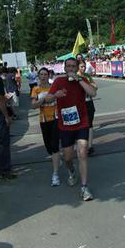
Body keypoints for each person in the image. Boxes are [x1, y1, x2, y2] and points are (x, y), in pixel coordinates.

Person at [42, 57, 98, 201]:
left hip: (82, 122)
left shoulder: (82, 80)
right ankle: (72, 171)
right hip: (65, 125)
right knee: (68, 157)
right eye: (68, 66)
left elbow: (93, 93)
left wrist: (79, 80)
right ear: (65, 68)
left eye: (73, 66)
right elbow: (47, 98)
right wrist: (55, 95)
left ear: (77, 68)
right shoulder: (59, 81)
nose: (71, 68)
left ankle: (84, 188)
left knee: (82, 152)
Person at [30, 68, 61, 185]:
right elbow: (33, 105)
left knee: (54, 145)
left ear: (48, 76)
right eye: (41, 74)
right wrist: (44, 99)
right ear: (38, 76)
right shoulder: (36, 89)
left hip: (56, 118)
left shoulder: (54, 87)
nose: (43, 76)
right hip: (44, 120)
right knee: (49, 147)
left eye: (45, 74)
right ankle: (56, 158)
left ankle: (55, 174)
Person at [78, 60, 98, 155]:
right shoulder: (75, 77)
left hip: (89, 102)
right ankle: (82, 144)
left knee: (90, 124)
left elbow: (95, 86)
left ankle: (90, 146)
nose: (83, 68)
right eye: (81, 66)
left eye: (84, 66)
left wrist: (89, 86)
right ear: (78, 67)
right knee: (80, 124)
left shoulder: (87, 76)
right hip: (79, 103)